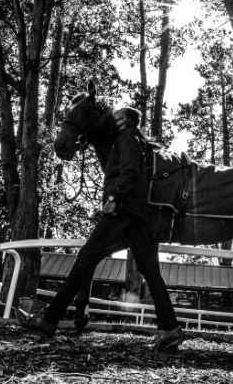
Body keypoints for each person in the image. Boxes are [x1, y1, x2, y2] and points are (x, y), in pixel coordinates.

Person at [17, 107, 183, 352]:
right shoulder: (136, 140)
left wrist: (114, 198)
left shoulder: (126, 139)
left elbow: (129, 172)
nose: (112, 119)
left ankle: (49, 319)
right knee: (150, 270)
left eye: (117, 116)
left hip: (123, 211)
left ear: (125, 121)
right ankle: (170, 328)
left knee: (85, 258)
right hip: (138, 216)